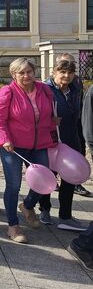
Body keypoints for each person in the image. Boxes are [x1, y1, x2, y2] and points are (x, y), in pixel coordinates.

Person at [0, 58, 59, 244]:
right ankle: (13, 225)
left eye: (29, 71)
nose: (26, 75)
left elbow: (47, 115)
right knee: (13, 185)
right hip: (12, 146)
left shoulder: (44, 90)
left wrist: (53, 122)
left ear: (34, 72)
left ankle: (27, 206)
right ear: (14, 75)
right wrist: (4, 139)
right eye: (21, 73)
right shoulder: (8, 92)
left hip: (39, 144)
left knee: (45, 182)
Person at [22, 59, 83, 230]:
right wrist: (49, 120)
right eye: (62, 72)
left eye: (70, 72)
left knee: (70, 177)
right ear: (54, 72)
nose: (66, 76)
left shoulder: (75, 88)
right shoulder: (44, 89)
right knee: (48, 176)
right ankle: (44, 209)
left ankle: (65, 216)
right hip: (48, 140)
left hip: (70, 139)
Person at [59, 53, 91, 197]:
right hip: (57, 129)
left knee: (77, 157)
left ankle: (76, 183)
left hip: (76, 125)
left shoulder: (77, 82)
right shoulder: (47, 85)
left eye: (72, 65)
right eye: (65, 65)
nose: (68, 69)